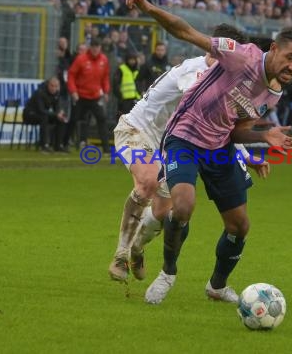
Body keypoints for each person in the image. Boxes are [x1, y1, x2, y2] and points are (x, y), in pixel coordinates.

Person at [125, 0, 292, 305]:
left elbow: (237, 129)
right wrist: (149, 9)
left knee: (240, 226)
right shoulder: (242, 57)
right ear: (274, 48)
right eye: (290, 57)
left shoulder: (275, 90)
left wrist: (264, 136)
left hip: (219, 147)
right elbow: (187, 32)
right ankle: (168, 273)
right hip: (184, 137)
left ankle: (217, 285)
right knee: (182, 206)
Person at [108, 24, 270, 283]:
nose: (213, 53)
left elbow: (220, 125)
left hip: (167, 145)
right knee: (147, 182)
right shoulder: (197, 71)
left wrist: (246, 156)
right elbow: (206, 113)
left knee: (163, 213)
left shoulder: (223, 80)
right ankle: (120, 255)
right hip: (136, 130)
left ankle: (136, 251)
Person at [67, 37, 111, 152]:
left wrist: (106, 91)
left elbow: (105, 77)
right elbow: (71, 75)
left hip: (96, 96)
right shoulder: (81, 59)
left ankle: (106, 148)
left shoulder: (104, 60)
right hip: (81, 96)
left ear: (100, 48)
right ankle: (64, 143)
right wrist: (73, 91)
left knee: (102, 119)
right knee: (74, 119)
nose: (95, 49)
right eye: (93, 47)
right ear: (90, 47)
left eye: (97, 47)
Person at [23, 77, 68, 152]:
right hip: (30, 114)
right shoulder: (40, 93)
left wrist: (60, 113)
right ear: (48, 85)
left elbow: (57, 108)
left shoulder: (56, 93)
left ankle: (58, 145)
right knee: (44, 118)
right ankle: (44, 145)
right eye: (52, 86)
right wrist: (56, 114)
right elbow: (41, 110)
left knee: (61, 119)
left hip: (43, 115)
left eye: (56, 86)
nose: (53, 88)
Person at [113, 51, 141, 116]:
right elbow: (115, 85)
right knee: (123, 120)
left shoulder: (137, 70)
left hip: (135, 99)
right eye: (130, 59)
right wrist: (120, 97)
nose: (132, 61)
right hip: (124, 100)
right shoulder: (121, 69)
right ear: (127, 60)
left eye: (134, 59)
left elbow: (139, 84)